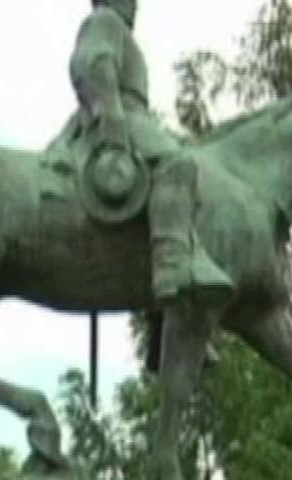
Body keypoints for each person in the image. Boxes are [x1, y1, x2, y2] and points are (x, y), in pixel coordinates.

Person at [56, 0, 234, 306]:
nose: (136, 5)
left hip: (134, 116)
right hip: (123, 115)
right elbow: (92, 61)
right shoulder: (106, 20)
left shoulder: (118, 30)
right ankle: (172, 263)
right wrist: (109, 112)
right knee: (178, 164)